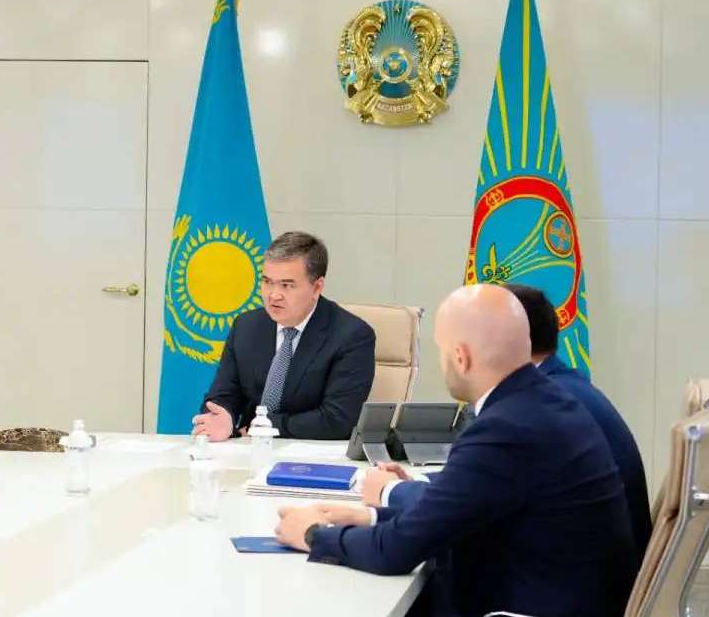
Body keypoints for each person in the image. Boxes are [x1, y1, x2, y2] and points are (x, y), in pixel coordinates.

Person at [275, 284, 636, 617]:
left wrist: (312, 534)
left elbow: (396, 552)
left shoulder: (505, 427)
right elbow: (458, 512)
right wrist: (368, 518)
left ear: (460, 357)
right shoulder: (546, 401)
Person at [505, 283, 652, 560]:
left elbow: (482, 496)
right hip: (612, 567)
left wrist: (399, 490)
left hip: (585, 582)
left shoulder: (542, 403)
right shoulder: (566, 387)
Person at [191, 231, 375, 440]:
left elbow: (338, 420)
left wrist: (262, 427)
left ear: (316, 287)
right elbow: (224, 394)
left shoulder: (352, 336)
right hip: (249, 452)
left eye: (286, 285)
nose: (273, 295)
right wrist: (223, 416)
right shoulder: (247, 326)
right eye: (267, 282)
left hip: (313, 457)